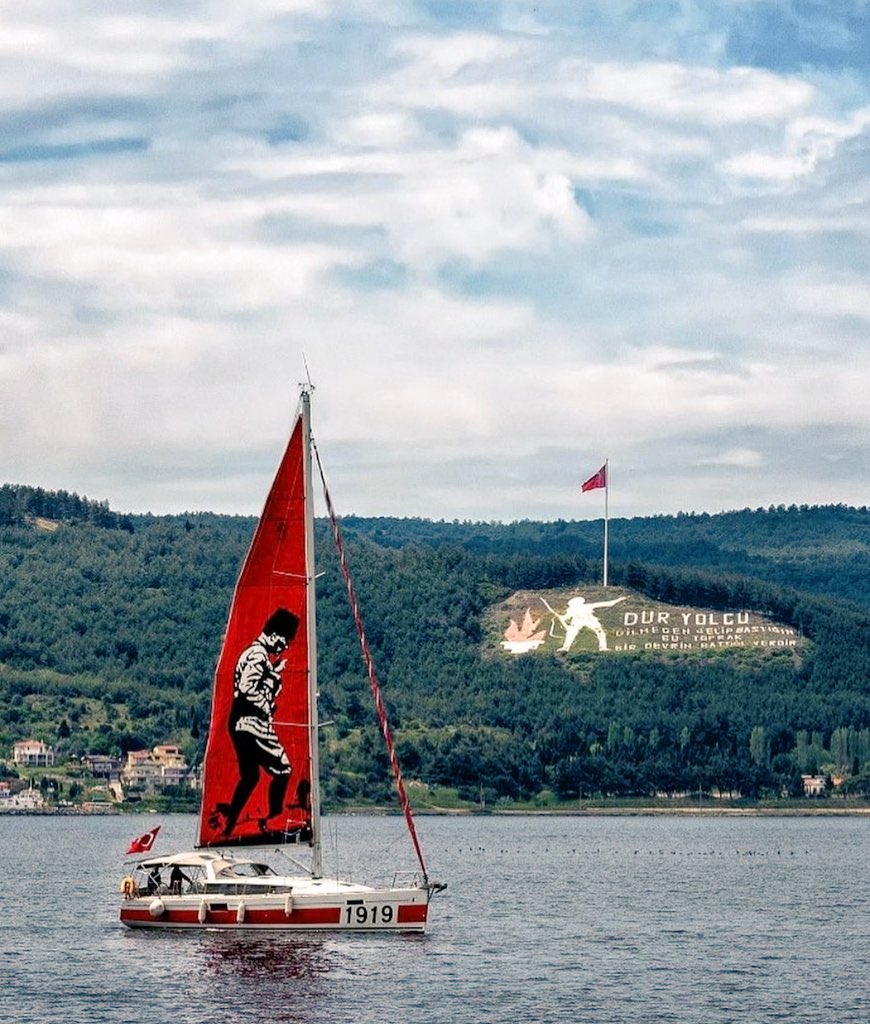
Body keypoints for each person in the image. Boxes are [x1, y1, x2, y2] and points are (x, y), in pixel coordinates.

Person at [214, 607, 300, 838]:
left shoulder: (260, 657)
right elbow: (246, 688)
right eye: (284, 641)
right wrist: (266, 706)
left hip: (240, 724)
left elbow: (256, 680)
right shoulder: (258, 655)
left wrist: (273, 672)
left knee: (251, 776)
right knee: (283, 768)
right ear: (273, 635)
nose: (285, 646)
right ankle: (274, 819)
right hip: (252, 723)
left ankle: (230, 823)